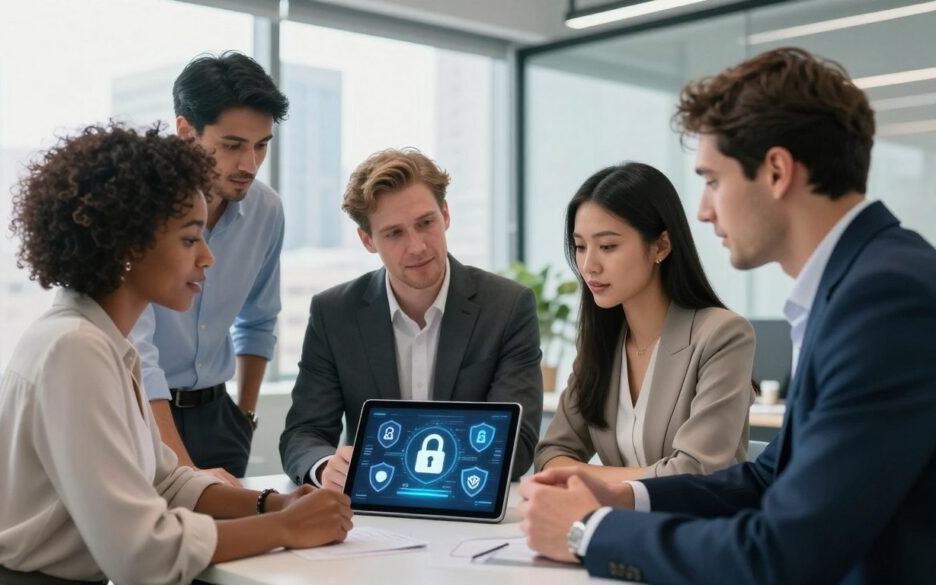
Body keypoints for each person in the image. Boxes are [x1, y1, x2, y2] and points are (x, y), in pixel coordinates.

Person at [519, 48, 936, 584]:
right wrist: (624, 495)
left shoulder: (885, 299)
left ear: (777, 171)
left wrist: (589, 531)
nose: (704, 209)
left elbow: (783, 553)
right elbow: (769, 477)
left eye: (713, 180)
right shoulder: (858, 284)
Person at [0, 124, 352, 585]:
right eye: (189, 238)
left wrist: (273, 503)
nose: (207, 258)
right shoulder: (74, 351)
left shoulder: (105, 343)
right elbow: (141, 553)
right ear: (128, 243)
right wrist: (283, 528)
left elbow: (164, 480)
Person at [279, 148, 543, 489]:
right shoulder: (334, 314)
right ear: (367, 240)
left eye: (426, 223)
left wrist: (393, 461)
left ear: (445, 215)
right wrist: (326, 465)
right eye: (394, 233)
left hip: (469, 501)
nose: (417, 246)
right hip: (371, 511)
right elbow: (304, 433)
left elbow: (517, 443)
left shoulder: (507, 307)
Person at [535, 162, 756, 482]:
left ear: (661, 246)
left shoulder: (722, 335)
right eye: (581, 246)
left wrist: (586, 477)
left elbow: (695, 473)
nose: (588, 265)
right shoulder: (600, 341)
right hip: (618, 525)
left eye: (608, 246)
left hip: (697, 528)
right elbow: (550, 453)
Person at [131, 51, 288, 486]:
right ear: (186, 132)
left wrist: (245, 417)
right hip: (143, 414)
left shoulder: (266, 210)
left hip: (220, 418)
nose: (249, 165)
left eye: (261, 145)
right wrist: (183, 470)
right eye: (232, 145)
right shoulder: (139, 207)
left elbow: (260, 318)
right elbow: (137, 353)